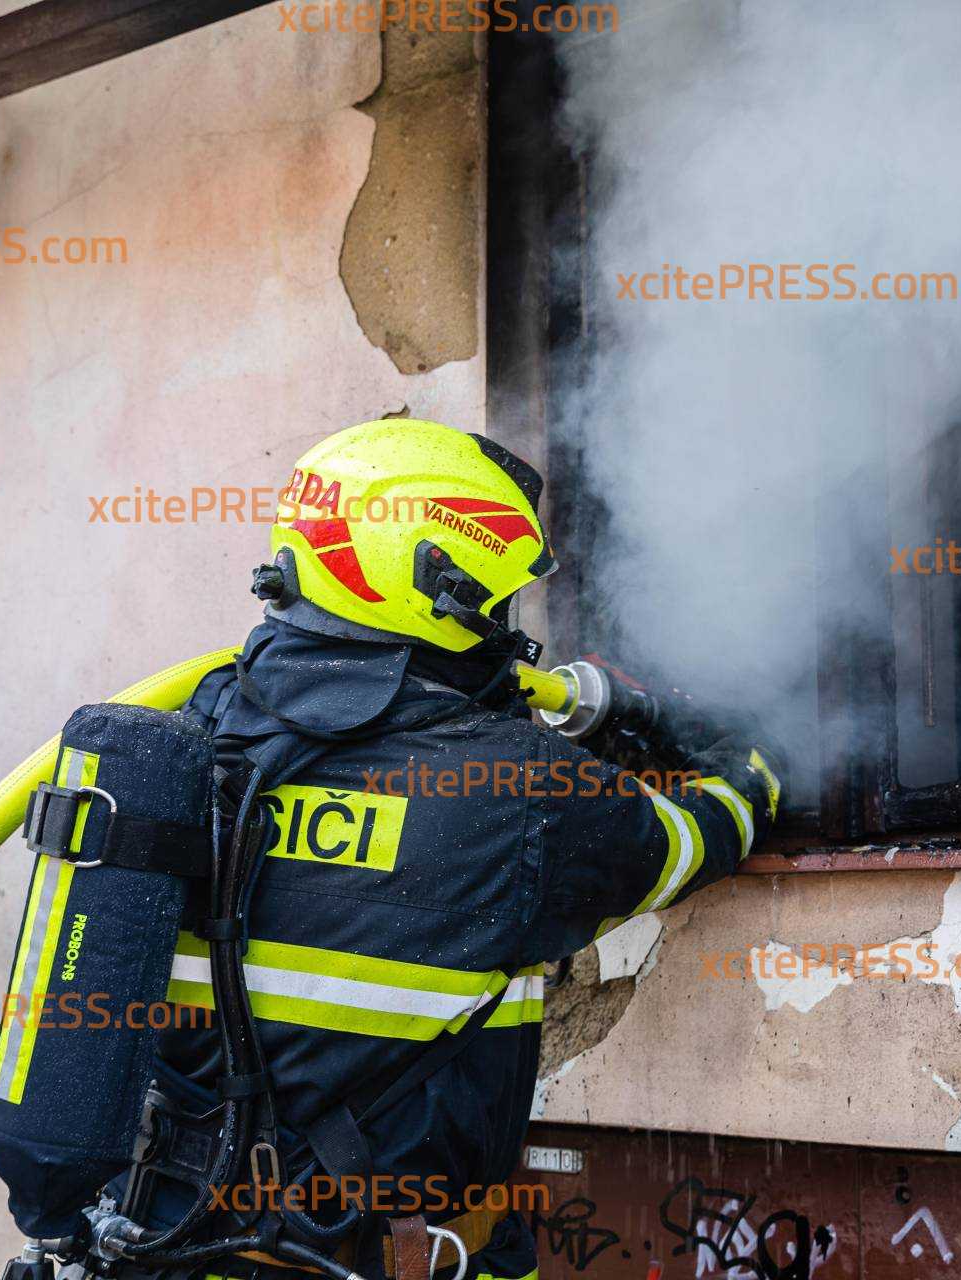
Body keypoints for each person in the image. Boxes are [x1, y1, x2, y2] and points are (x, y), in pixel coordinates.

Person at [122, 418, 778, 1280]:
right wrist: (754, 773)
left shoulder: (188, 736)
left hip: (158, 1240)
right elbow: (685, 842)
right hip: (384, 1260)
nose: (505, 628)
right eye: (496, 604)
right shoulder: (518, 789)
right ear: (442, 587)